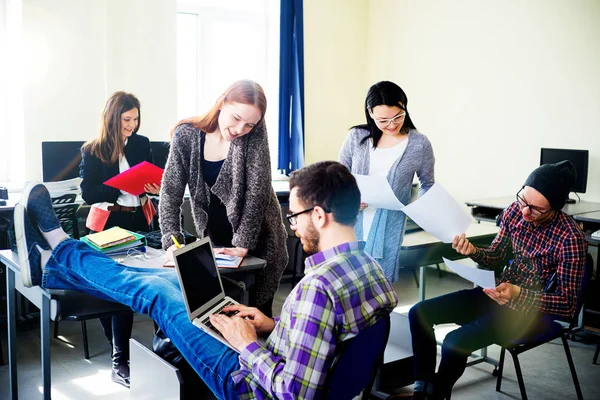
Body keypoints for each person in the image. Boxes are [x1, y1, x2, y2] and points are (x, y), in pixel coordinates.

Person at [15, 160, 398, 399]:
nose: (291, 225)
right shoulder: (373, 270)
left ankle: (58, 252)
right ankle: (56, 253)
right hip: (282, 358)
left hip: (248, 385)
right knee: (171, 287)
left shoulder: (317, 289)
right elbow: (332, 343)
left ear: (320, 216)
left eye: (294, 216)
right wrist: (274, 324)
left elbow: (293, 394)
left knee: (155, 292)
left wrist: (247, 344)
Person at [405, 160, 587, 400]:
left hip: (530, 312)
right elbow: (496, 256)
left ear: (555, 209)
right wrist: (473, 251)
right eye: (523, 200)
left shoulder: (570, 239)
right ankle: (423, 389)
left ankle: (436, 396)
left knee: (453, 342)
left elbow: (567, 305)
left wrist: (518, 293)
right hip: (496, 294)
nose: (524, 211)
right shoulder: (514, 211)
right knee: (418, 313)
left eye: (536, 209)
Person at [159, 79, 287, 317]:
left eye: (249, 124)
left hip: (260, 240)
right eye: (236, 118)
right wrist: (171, 241)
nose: (240, 129)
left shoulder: (253, 137)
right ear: (221, 103)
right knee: (218, 315)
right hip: (217, 242)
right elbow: (170, 192)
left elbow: (256, 193)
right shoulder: (186, 135)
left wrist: (242, 245)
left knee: (255, 317)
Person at [79, 91, 161, 387]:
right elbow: (88, 193)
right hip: (109, 222)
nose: (132, 125)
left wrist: (149, 187)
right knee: (115, 293)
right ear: (113, 118)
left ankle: (160, 351)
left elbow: (149, 183)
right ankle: (120, 359)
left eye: (136, 119)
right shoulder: (94, 149)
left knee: (150, 282)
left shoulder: (142, 143)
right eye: (127, 119)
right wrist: (118, 187)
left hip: (139, 219)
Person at [339, 81, 435, 282]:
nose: (391, 125)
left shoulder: (419, 143)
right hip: (351, 223)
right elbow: (338, 176)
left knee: (379, 291)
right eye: (383, 120)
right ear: (370, 113)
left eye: (398, 117)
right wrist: (348, 200)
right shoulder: (357, 137)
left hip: (390, 227)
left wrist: (420, 205)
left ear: (405, 108)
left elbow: (428, 184)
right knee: (347, 291)